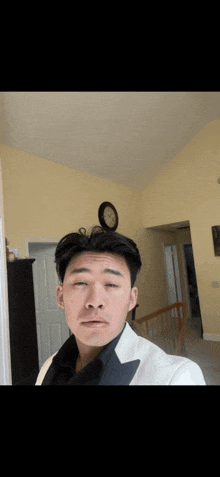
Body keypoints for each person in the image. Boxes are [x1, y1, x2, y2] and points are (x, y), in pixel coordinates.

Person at [35, 226, 206, 385]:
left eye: (111, 284)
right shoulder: (50, 366)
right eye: (80, 283)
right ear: (61, 296)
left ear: (132, 299)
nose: (95, 301)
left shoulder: (176, 376)